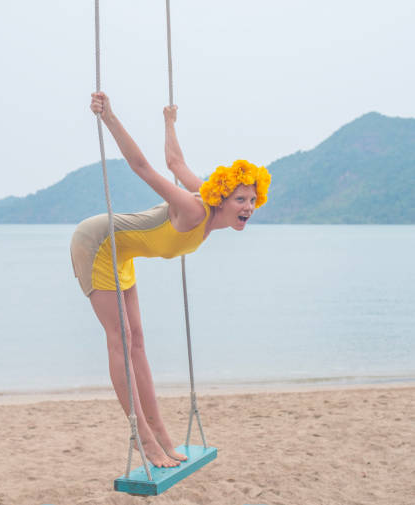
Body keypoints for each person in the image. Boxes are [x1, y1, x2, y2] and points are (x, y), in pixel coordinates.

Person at [70, 91, 271, 468]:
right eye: (241, 200)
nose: (248, 207)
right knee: (122, 340)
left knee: (139, 342)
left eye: (252, 200)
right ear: (224, 200)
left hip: (123, 253)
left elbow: (174, 160)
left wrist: (169, 122)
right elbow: (144, 167)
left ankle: (161, 432)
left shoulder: (210, 203)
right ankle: (142, 437)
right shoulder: (195, 209)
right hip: (97, 243)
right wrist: (109, 115)